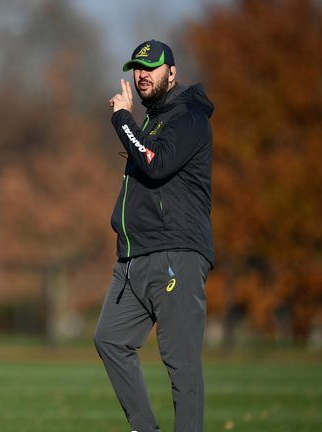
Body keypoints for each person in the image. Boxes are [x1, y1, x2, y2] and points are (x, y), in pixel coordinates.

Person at [94, 39, 215, 432]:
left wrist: (122, 119)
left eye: (152, 66)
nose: (143, 74)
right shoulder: (152, 120)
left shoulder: (190, 115)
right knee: (110, 339)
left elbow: (156, 163)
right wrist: (133, 123)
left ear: (172, 73)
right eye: (138, 67)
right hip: (133, 257)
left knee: (180, 363)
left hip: (174, 253)